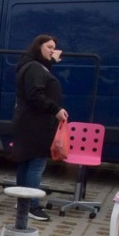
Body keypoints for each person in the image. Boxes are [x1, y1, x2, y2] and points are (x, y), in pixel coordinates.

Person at [12, 34, 69, 221]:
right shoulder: (35, 67)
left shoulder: (32, 65)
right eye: (49, 47)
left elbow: (39, 82)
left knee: (26, 161)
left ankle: (22, 202)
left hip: (28, 122)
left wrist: (51, 61)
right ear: (38, 47)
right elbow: (35, 94)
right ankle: (31, 205)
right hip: (36, 124)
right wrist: (56, 109)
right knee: (36, 164)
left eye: (54, 47)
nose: (52, 50)